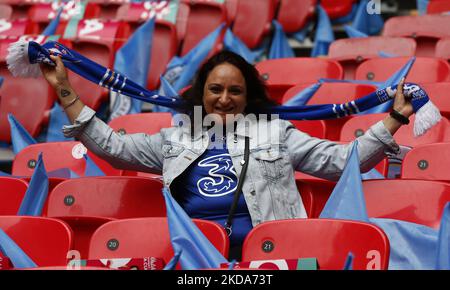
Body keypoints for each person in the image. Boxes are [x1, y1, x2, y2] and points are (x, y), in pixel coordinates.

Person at [40, 50, 413, 260]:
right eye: (215, 89)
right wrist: (64, 90)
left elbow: (344, 162)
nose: (224, 98)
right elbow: (113, 149)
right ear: (201, 94)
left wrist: (395, 118)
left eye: (234, 90)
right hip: (194, 259)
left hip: (269, 257)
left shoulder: (275, 132)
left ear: (247, 96)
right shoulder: (176, 137)